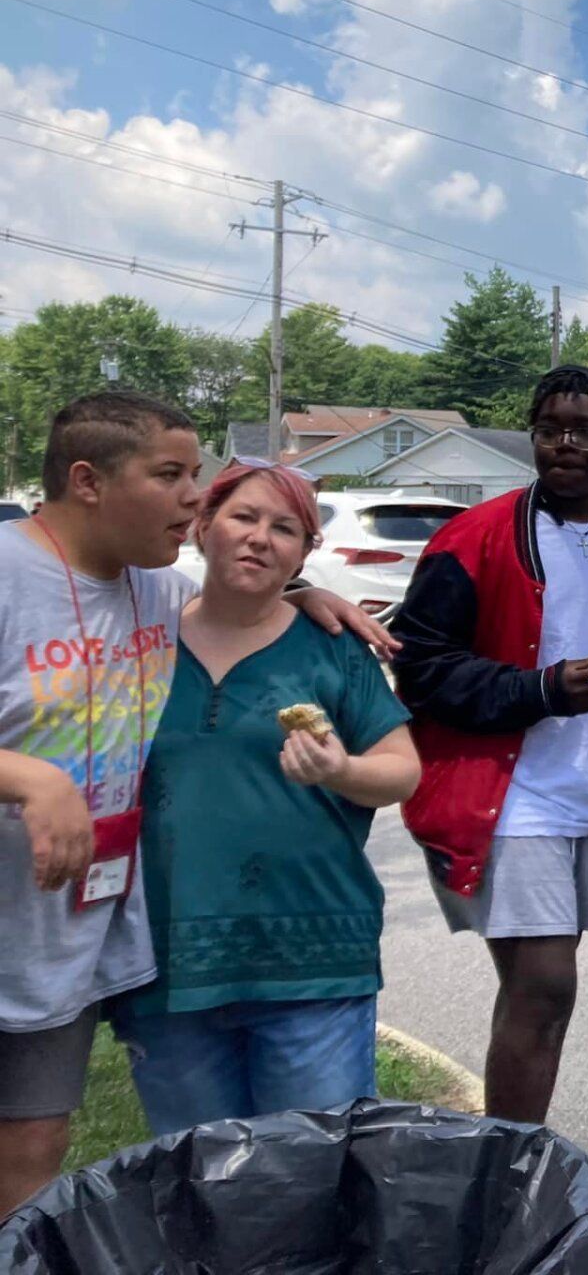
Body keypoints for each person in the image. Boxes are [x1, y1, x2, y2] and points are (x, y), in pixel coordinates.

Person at [0, 393, 393, 1215]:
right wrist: (31, 779)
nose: (192, 495)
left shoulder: (150, 591)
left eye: (196, 477)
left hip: (59, 943)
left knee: (30, 1153)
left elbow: (251, 574)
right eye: (172, 474)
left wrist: (310, 595)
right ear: (88, 480)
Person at [389, 366, 588, 1127]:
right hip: (506, 798)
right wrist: (538, 691)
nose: (565, 445)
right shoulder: (473, 537)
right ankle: (509, 1170)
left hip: (587, 793)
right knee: (545, 986)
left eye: (585, 430)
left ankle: (506, 1162)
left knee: (534, 994)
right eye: (550, 430)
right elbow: (418, 666)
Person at [112, 460, 419, 1133]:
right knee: (203, 1180)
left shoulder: (332, 648)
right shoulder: (140, 641)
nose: (259, 538)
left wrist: (338, 769)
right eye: (243, 517)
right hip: (169, 966)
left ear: (306, 552)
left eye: (285, 529)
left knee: (314, 1173)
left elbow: (401, 770)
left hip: (313, 960)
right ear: (204, 526)